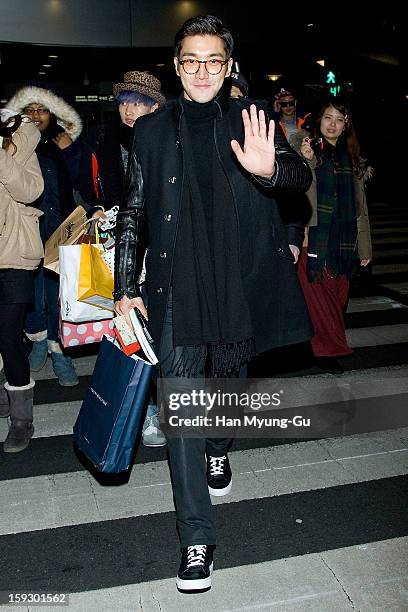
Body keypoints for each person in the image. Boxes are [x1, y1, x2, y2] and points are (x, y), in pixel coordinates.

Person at [114, 14, 312, 593]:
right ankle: (196, 538)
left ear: (229, 67)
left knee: (227, 387)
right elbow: (132, 213)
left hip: (239, 284)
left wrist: (270, 167)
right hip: (176, 290)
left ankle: (221, 444)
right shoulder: (150, 132)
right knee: (183, 416)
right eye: (191, 61)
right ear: (177, 68)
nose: (202, 70)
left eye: (214, 61)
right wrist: (126, 288)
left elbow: (298, 176)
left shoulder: (253, 118)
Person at [79, 71, 167, 448]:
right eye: (123, 102)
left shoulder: (168, 140)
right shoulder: (106, 140)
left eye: (136, 102)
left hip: (164, 249)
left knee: (166, 334)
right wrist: (97, 208)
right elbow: (91, 185)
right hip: (126, 250)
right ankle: (147, 411)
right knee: (135, 333)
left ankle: (168, 406)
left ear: (154, 106)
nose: (128, 110)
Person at [6, 86, 83, 386]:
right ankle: (38, 340)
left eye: (42, 110)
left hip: (60, 231)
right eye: (31, 110)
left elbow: (82, 184)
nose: (37, 115)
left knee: (57, 295)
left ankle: (57, 347)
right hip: (24, 234)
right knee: (30, 295)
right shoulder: (15, 145)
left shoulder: (64, 143)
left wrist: (72, 151)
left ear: (53, 114)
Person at [290, 98, 372, 374]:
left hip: (344, 242)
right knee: (319, 302)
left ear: (346, 124)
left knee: (337, 298)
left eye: (339, 119)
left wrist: (365, 248)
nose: (333, 124)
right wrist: (306, 160)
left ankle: (316, 343)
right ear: (318, 121)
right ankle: (327, 350)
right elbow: (296, 188)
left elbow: (361, 210)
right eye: (328, 118)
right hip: (313, 239)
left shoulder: (354, 161)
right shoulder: (306, 150)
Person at [0, 110, 44, 452]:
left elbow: (31, 190)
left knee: (8, 335)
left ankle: (21, 419)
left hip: (13, 251)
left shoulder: (22, 137)